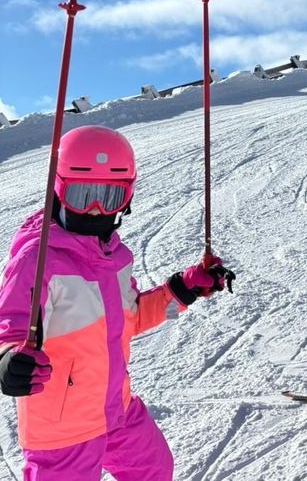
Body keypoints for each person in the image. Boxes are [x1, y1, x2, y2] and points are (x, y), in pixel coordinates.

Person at [0, 125, 234, 481]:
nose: (95, 211)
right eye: (83, 195)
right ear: (59, 190)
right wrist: (8, 358)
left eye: (109, 198)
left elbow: (131, 317)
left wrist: (184, 289)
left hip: (115, 410)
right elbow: (9, 325)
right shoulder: (37, 259)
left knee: (154, 469)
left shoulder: (116, 258)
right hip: (63, 429)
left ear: (127, 198)